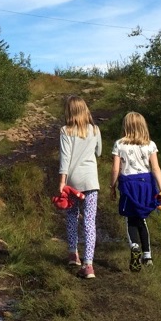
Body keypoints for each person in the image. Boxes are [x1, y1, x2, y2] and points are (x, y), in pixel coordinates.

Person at [109, 111, 161, 272]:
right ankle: (147, 255)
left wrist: (112, 186)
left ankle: (135, 246)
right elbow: (156, 168)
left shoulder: (119, 144)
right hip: (146, 183)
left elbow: (115, 169)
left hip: (128, 184)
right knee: (142, 218)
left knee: (131, 219)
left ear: (125, 126)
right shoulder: (150, 144)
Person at [58, 96, 102, 279]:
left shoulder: (65, 131)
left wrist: (62, 181)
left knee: (71, 216)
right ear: (85, 110)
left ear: (69, 111)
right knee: (89, 221)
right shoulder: (95, 130)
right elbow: (99, 152)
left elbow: (65, 158)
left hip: (72, 183)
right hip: (91, 181)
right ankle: (88, 265)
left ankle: (73, 253)